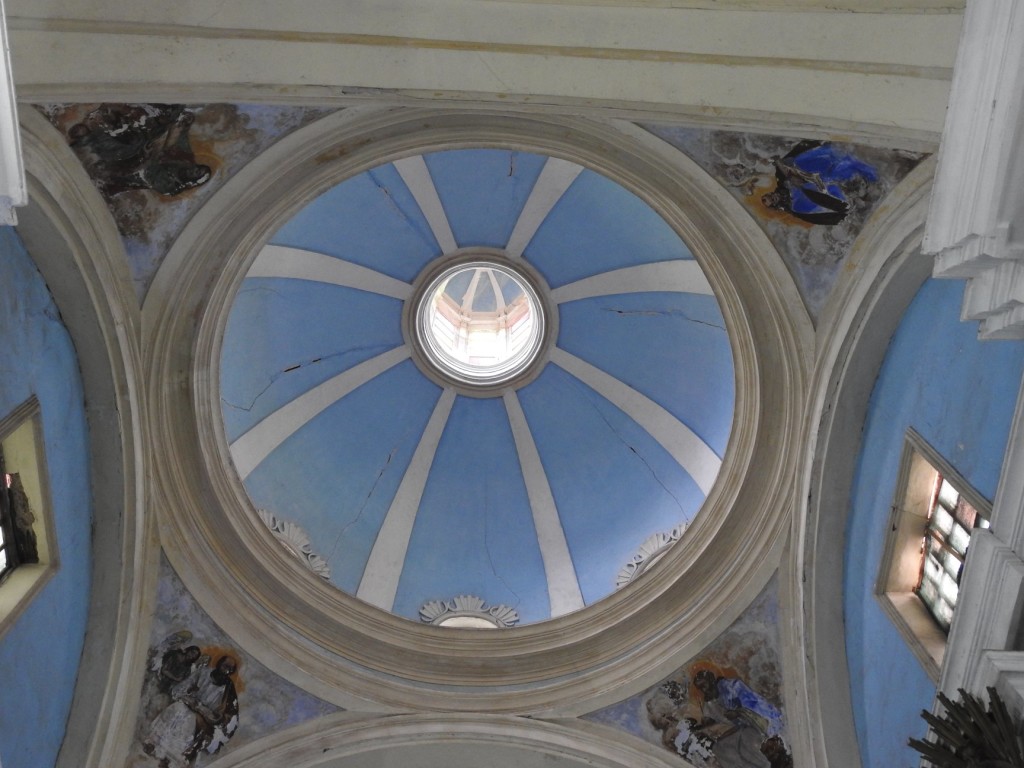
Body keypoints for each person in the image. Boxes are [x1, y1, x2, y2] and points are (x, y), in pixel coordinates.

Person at [143, 655, 239, 768]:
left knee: (189, 720)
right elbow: (180, 689)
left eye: (230, 669)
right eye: (225, 666)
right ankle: (156, 746)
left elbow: (222, 715)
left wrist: (201, 709)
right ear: (219, 664)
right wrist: (189, 698)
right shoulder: (203, 672)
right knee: (177, 708)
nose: (227, 670)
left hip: (203, 717)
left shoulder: (228, 688)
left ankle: (172, 757)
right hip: (187, 704)